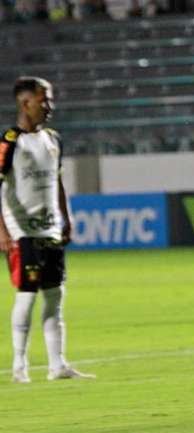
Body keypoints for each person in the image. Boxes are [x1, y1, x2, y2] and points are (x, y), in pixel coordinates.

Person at [0, 77, 95, 383]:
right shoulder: (9, 141)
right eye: (44, 100)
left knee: (55, 296)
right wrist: (3, 231)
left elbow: (58, 182)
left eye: (50, 99)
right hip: (22, 230)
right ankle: (19, 367)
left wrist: (67, 218)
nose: (49, 106)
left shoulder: (53, 139)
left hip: (50, 229)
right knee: (27, 296)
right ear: (25, 102)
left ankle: (58, 366)